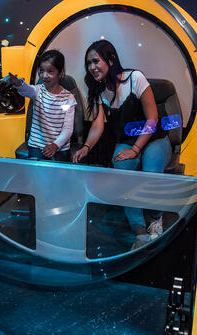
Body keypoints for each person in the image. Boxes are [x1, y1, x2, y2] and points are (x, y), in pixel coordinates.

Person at [72, 40, 171, 249]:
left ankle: (155, 220)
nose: (92, 67)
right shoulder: (99, 91)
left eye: (96, 61)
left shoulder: (135, 78)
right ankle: (140, 233)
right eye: (88, 63)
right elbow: (98, 126)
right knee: (123, 174)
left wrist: (135, 149)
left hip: (154, 139)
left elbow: (152, 119)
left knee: (151, 173)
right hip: (126, 141)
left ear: (111, 59)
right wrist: (86, 147)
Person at [5, 49, 77, 162]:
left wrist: (55, 145)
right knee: (36, 174)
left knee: (60, 176)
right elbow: (26, 89)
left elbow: (68, 129)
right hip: (37, 145)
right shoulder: (37, 91)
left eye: (50, 71)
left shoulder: (68, 98)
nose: (44, 75)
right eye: (41, 70)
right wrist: (18, 83)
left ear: (61, 72)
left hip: (60, 147)